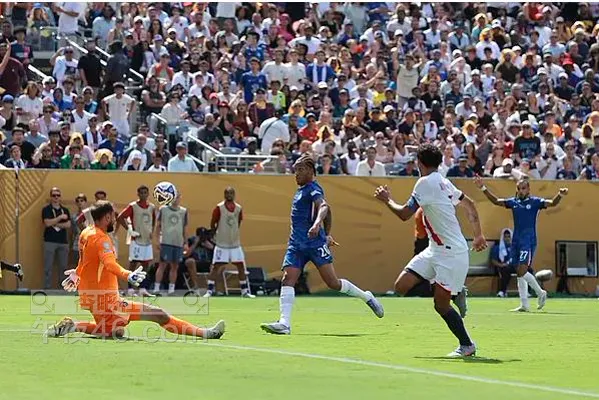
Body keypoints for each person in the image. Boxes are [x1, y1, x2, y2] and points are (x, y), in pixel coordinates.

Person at [46, 200, 225, 340]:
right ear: (107, 217)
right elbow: (109, 264)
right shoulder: (102, 240)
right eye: (113, 216)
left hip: (91, 296)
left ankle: (73, 325)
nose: (115, 220)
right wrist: (128, 275)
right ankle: (206, 333)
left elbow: (84, 259)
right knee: (159, 315)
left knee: (115, 331)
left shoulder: (86, 233)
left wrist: (77, 272)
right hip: (107, 300)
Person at [374, 144, 487, 357]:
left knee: (440, 305)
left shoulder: (425, 182)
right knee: (401, 286)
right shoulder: (444, 181)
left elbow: (404, 214)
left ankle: (467, 345)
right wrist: (478, 234)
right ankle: (455, 291)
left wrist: (386, 199)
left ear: (420, 163)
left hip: (451, 253)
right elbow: (470, 204)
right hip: (435, 250)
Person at [260, 154, 384, 335]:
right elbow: (329, 212)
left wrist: (318, 224)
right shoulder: (301, 190)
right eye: (295, 170)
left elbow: (324, 207)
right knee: (288, 278)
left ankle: (366, 296)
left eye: (300, 170)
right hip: (296, 244)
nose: (296, 174)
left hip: (314, 244)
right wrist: (327, 233)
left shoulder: (313, 189)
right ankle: (285, 323)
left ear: (310, 171)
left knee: (333, 283)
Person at [475, 176, 568, 311]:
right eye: (518, 188)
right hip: (516, 241)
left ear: (528, 189)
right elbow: (496, 201)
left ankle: (540, 292)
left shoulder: (535, 202)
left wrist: (560, 194)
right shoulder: (513, 202)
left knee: (522, 270)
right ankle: (524, 304)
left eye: (523, 188)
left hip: (528, 241)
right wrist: (483, 188)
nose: (521, 190)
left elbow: (552, 203)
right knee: (519, 272)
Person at [203, 187, 254, 298]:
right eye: (227, 193)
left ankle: (244, 291)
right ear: (224, 194)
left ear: (234, 194)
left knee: (241, 266)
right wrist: (215, 233)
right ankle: (209, 291)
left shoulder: (239, 208)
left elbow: (238, 222)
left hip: (235, 244)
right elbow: (213, 222)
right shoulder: (219, 208)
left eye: (231, 193)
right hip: (222, 244)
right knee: (216, 267)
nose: (229, 195)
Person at [116, 185, 156, 297]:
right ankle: (130, 289)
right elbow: (120, 217)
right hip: (136, 240)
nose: (143, 195)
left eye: (145, 192)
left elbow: (153, 220)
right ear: (138, 194)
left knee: (146, 264)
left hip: (147, 240)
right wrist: (130, 230)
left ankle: (142, 288)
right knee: (133, 263)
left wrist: (151, 231)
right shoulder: (133, 206)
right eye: (141, 193)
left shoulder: (152, 207)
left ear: (148, 194)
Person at [154, 193, 188, 296]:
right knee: (162, 265)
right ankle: (156, 288)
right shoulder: (163, 209)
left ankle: (171, 289)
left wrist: (185, 242)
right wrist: (157, 240)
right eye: (174, 197)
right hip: (166, 242)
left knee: (175, 266)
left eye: (178, 197)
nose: (176, 199)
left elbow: (185, 228)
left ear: (180, 198)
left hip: (178, 242)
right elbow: (158, 225)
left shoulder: (183, 211)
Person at [41, 187, 71, 289]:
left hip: (63, 241)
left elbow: (68, 225)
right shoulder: (46, 209)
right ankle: (47, 288)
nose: (56, 197)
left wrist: (54, 223)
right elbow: (47, 223)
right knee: (48, 266)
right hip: (49, 241)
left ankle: (62, 289)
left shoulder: (65, 210)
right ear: (51, 197)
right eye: (54, 195)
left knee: (63, 267)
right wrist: (60, 218)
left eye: (58, 195)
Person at [491, 228, 514, 298]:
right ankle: (502, 291)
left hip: (514, 266)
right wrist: (501, 265)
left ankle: (527, 291)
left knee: (528, 270)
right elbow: (493, 260)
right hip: (503, 266)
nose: (507, 238)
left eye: (509, 237)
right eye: (505, 237)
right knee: (506, 270)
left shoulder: (515, 248)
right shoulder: (498, 248)